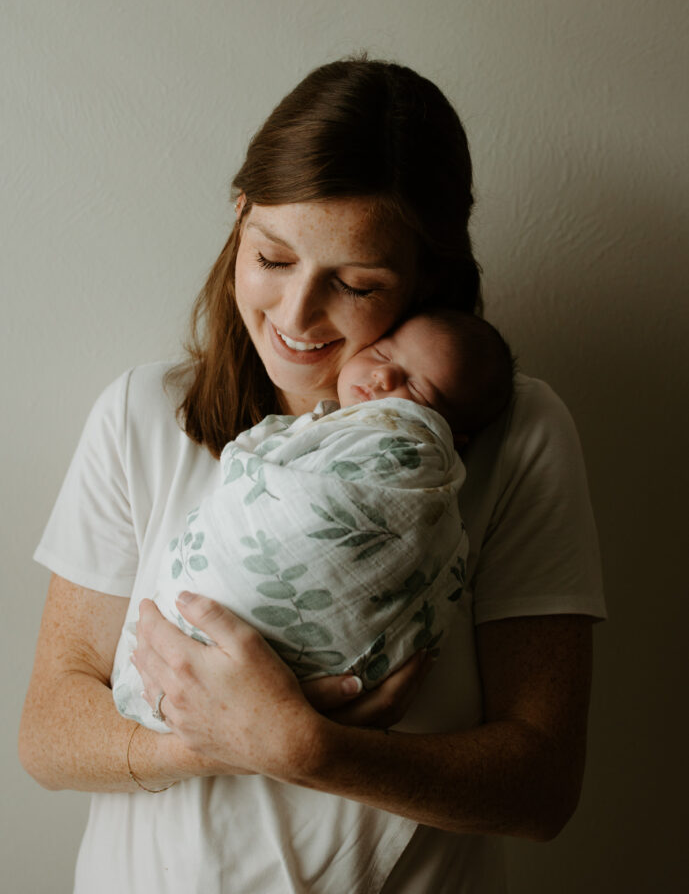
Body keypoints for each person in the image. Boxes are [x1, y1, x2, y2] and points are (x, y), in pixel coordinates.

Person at [19, 57, 606, 894]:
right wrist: (212, 737)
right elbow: (48, 732)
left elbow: (541, 787)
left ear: (424, 282)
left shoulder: (514, 434)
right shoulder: (142, 415)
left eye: (355, 282)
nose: (295, 317)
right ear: (238, 222)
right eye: (273, 257)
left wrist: (314, 752)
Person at [112, 310, 515, 732]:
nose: (383, 378)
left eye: (416, 386)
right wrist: (257, 734)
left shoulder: (420, 455)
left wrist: (306, 749)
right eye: (381, 354)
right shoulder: (141, 402)